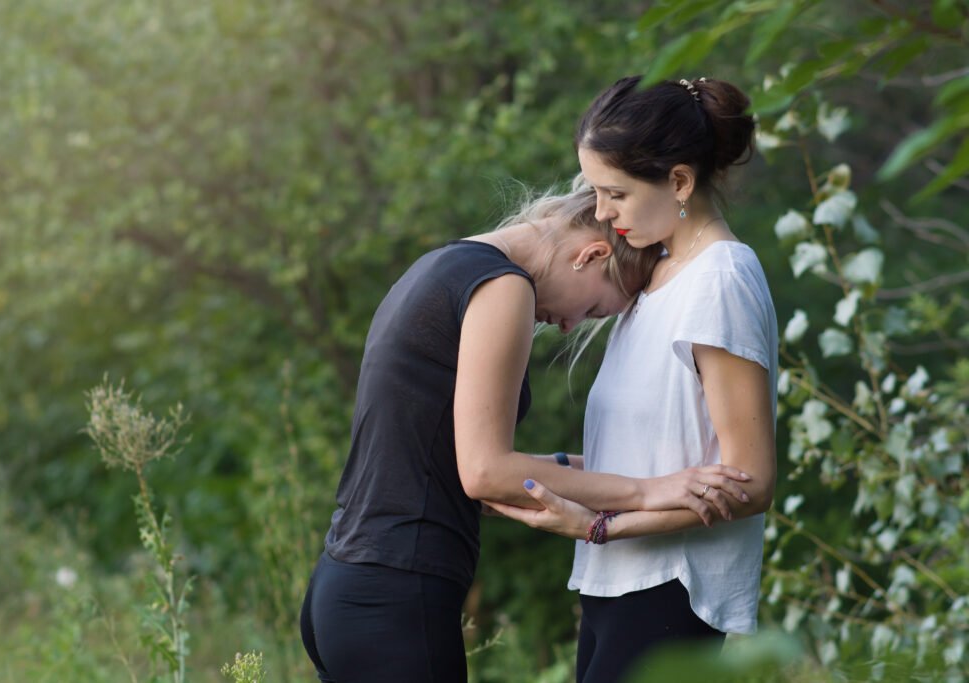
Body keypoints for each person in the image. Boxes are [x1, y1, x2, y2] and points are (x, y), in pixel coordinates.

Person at [299, 176, 754, 683]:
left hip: (345, 585)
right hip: (398, 594)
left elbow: (455, 464)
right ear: (591, 254)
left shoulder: (444, 265)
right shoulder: (502, 286)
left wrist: (602, 471)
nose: (567, 325)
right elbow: (487, 473)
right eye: (596, 309)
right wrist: (648, 491)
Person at [486, 76, 779, 682]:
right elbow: (655, 454)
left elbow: (751, 483)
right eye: (595, 191)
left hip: (672, 588)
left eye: (614, 192)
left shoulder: (720, 280)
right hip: (616, 581)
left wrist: (598, 525)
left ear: (678, 181)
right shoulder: (657, 280)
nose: (599, 212)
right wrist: (527, 476)